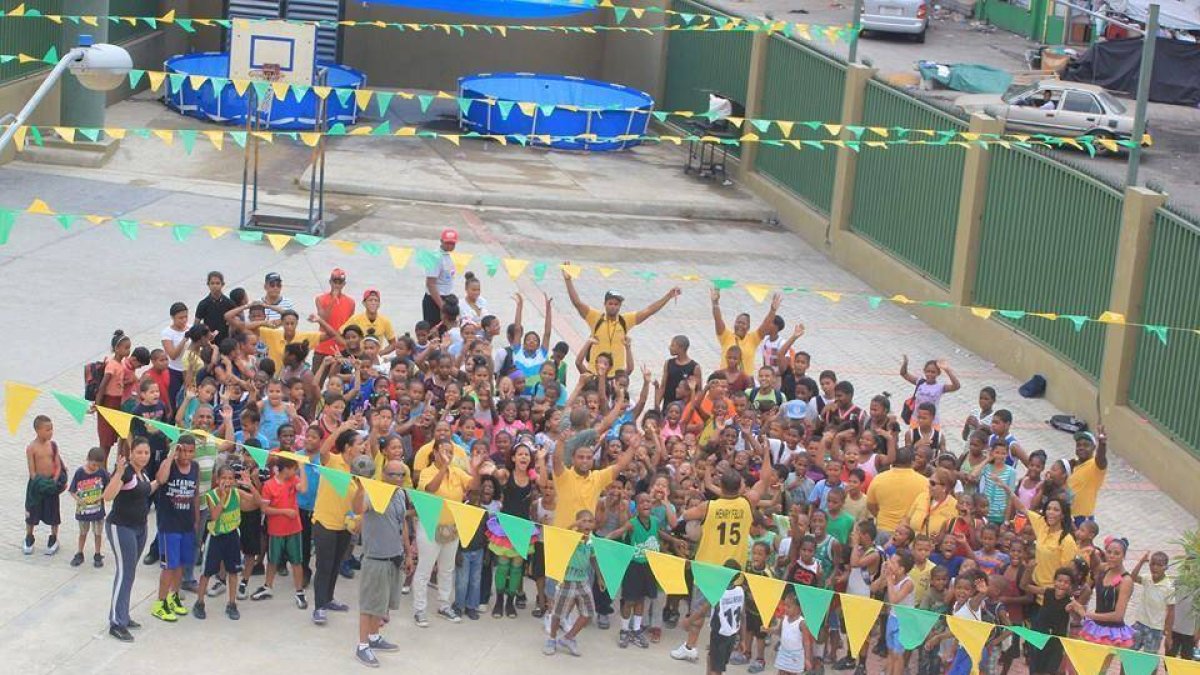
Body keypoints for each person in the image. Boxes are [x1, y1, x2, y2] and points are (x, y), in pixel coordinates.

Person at [414, 438, 483, 626]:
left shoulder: (458, 472)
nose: (448, 455)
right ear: (435, 452)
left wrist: (475, 469)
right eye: (444, 451)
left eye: (450, 452)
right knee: (425, 570)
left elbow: (474, 486)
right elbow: (431, 489)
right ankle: (419, 609)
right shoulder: (427, 472)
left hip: (452, 527)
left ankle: (443, 605)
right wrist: (443, 467)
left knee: (447, 569)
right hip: (430, 526)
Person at [562, 265, 680, 372]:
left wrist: (668, 296)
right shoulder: (595, 317)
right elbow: (577, 303)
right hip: (595, 372)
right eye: (610, 303)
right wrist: (568, 280)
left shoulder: (625, 320)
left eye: (616, 304)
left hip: (616, 375)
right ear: (605, 304)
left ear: (620, 306)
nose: (613, 307)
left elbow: (648, 311)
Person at [311, 423, 367, 625]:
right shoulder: (332, 461)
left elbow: (358, 507)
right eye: (360, 443)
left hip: (345, 525)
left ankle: (329, 599)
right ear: (347, 447)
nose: (363, 447)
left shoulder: (360, 469)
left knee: (335, 565)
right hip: (325, 522)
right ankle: (318, 607)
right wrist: (342, 428)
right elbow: (323, 449)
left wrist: (361, 487)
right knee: (324, 566)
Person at [356, 459, 409, 667]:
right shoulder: (373, 492)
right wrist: (360, 487)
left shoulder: (401, 494)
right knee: (369, 604)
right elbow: (359, 507)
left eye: (401, 475)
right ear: (383, 475)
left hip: (393, 556)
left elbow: (401, 522)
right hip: (375, 558)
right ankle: (362, 646)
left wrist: (407, 550)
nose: (397, 479)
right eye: (393, 474)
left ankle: (374, 637)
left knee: (381, 604)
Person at [103, 437, 156, 642]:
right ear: (132, 453)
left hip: (139, 528)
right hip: (121, 527)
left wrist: (162, 475)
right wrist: (117, 472)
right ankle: (116, 622)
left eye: (147, 453)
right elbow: (108, 496)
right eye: (140, 452)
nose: (143, 456)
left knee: (129, 573)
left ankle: (122, 614)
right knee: (125, 573)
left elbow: (147, 490)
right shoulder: (125, 472)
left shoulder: (142, 473)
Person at [192, 465, 258, 621]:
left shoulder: (237, 492)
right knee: (206, 573)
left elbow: (257, 502)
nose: (227, 481)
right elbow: (214, 516)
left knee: (233, 572)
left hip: (232, 536)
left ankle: (232, 603)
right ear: (217, 480)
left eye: (230, 478)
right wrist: (222, 497)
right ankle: (199, 602)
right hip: (216, 537)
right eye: (224, 478)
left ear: (234, 481)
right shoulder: (211, 495)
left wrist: (251, 486)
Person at [152, 436, 200, 622]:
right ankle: (159, 603)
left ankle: (173, 596)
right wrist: (172, 453)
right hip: (169, 524)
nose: (186, 455)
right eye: (183, 450)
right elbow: (160, 479)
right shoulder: (169, 464)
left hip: (186, 524)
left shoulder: (194, 467)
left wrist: (195, 519)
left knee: (180, 564)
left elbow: (195, 493)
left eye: (190, 451)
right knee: (168, 566)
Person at [252, 456, 311, 609]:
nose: (295, 470)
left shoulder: (293, 480)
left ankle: (299, 591)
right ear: (285, 469)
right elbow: (265, 509)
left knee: (297, 561)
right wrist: (285, 511)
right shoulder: (269, 485)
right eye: (294, 468)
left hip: (294, 529)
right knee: (272, 560)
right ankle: (267, 586)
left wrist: (303, 467)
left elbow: (304, 489)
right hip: (276, 530)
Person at [543, 509, 601, 657]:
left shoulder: (591, 540)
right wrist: (574, 525)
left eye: (590, 521)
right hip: (568, 580)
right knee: (558, 613)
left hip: (583, 581)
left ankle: (569, 638)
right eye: (584, 521)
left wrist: (600, 577)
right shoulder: (571, 536)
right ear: (578, 523)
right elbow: (561, 534)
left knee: (588, 613)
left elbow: (593, 559)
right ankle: (551, 639)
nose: (587, 524)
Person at [711, 289, 781, 375]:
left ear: (748, 327)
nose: (740, 325)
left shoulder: (753, 339)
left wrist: (772, 310)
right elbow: (718, 319)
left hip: (745, 383)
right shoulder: (726, 336)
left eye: (743, 323)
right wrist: (715, 303)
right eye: (738, 322)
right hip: (725, 382)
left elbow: (765, 325)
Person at [866, 446, 928, 543]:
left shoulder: (879, 479)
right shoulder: (924, 482)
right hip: (908, 534)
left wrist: (881, 515)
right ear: (912, 461)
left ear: (893, 460)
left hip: (883, 529)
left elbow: (870, 505)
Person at [93, 330, 137, 463]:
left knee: (115, 437)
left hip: (117, 403)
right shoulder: (112, 365)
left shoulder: (120, 364)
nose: (128, 351)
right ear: (117, 349)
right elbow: (103, 386)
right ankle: (102, 468)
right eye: (126, 348)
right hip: (108, 404)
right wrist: (98, 405)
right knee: (105, 442)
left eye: (129, 347)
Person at [24, 415, 64, 556]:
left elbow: (58, 465)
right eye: (47, 429)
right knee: (32, 512)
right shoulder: (31, 448)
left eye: (51, 429)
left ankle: (53, 537)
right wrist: (40, 483)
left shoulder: (52, 445)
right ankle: (29, 536)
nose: (51, 432)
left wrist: (54, 480)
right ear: (37, 430)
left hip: (51, 483)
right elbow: (32, 471)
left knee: (53, 513)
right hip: (37, 486)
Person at [69, 446, 110, 568]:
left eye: (98, 466)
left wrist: (101, 496)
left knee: (98, 533)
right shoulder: (80, 473)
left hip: (97, 510)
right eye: (93, 465)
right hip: (84, 511)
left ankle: (97, 554)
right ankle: (79, 553)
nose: (95, 468)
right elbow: (72, 490)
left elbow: (109, 488)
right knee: (83, 532)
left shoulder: (102, 473)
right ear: (88, 459)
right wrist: (78, 499)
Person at [1130, 550, 1175, 656]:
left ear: (1166, 567)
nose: (1154, 567)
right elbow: (1132, 577)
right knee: (1128, 653)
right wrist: (1141, 562)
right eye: (1152, 564)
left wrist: (1168, 634)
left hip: (1155, 629)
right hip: (1139, 624)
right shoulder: (1147, 578)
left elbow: (1171, 612)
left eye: (1159, 565)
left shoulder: (1169, 587)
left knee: (1150, 660)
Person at [705, 560, 747, 675]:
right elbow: (743, 616)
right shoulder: (740, 591)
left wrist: (689, 620)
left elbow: (702, 610)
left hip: (719, 633)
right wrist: (743, 639)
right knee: (712, 659)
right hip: (732, 635)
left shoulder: (719, 592)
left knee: (716, 669)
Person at [314, 268, 355, 371]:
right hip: (322, 347)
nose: (337, 285)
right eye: (335, 281)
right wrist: (333, 300)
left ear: (344, 284)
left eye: (340, 282)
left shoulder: (351, 302)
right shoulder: (320, 299)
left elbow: (349, 326)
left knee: (339, 382)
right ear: (330, 282)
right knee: (315, 383)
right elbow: (323, 318)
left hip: (341, 349)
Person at [1066, 427, 1108, 526]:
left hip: (1082, 518)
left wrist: (1102, 444)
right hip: (1068, 515)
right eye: (1078, 445)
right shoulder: (1073, 465)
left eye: (1086, 445)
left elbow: (1101, 458)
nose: (1081, 447)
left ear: (1093, 448)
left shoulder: (1095, 465)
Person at [424, 228, 459, 326]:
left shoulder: (447, 256)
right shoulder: (436, 257)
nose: (450, 245)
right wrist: (442, 306)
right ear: (441, 241)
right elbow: (431, 284)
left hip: (446, 298)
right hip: (435, 300)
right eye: (447, 243)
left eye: (452, 243)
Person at [347, 288, 398, 354]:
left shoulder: (385, 321)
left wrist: (380, 354)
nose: (373, 303)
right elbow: (340, 335)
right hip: (359, 357)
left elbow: (393, 344)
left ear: (379, 304)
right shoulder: (355, 319)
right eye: (370, 300)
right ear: (364, 303)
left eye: (376, 300)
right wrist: (353, 351)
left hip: (376, 358)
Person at [161, 301, 191, 409]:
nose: (184, 320)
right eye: (180, 318)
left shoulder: (190, 328)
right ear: (173, 318)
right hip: (174, 371)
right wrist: (184, 339)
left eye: (185, 317)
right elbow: (173, 355)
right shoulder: (167, 333)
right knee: (174, 400)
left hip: (189, 370)